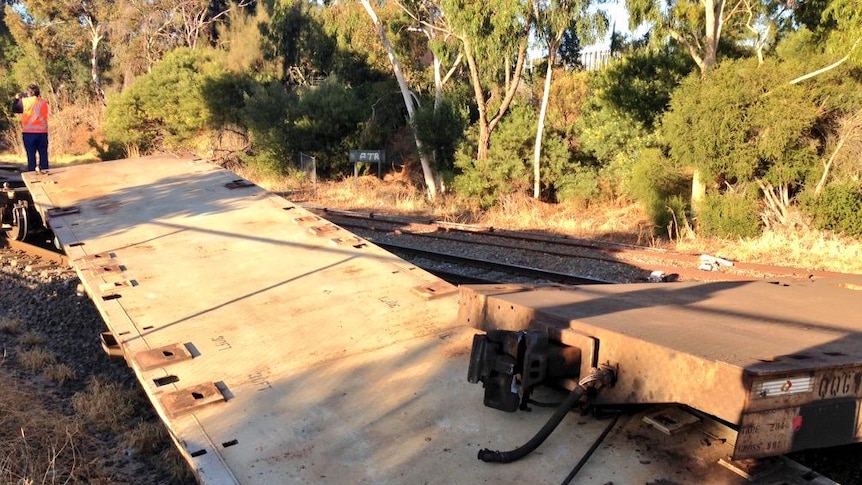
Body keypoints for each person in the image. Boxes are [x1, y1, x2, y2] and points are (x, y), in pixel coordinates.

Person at [11, 84, 49, 172]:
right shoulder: (44, 102)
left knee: (31, 156)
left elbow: (15, 109)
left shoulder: (25, 102)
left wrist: (17, 99)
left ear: (29, 93)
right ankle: (45, 172)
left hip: (29, 132)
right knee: (43, 155)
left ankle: (32, 173)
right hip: (42, 132)